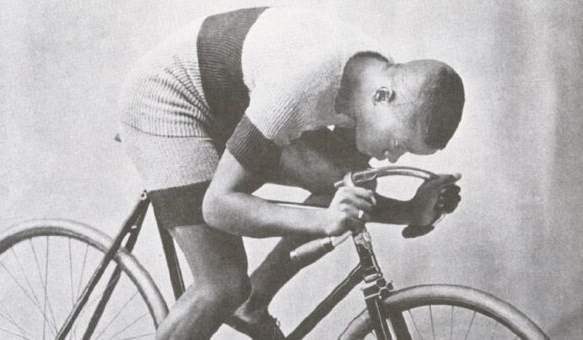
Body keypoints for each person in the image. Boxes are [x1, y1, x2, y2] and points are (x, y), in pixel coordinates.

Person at [117, 6, 464, 340]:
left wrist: (410, 211)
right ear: (383, 96)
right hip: (168, 99)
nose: (391, 157)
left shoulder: (377, 79)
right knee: (223, 284)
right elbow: (219, 206)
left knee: (349, 179)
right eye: (395, 142)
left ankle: (254, 304)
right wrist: (323, 220)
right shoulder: (301, 81)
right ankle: (242, 297)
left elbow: (349, 186)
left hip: (230, 99)